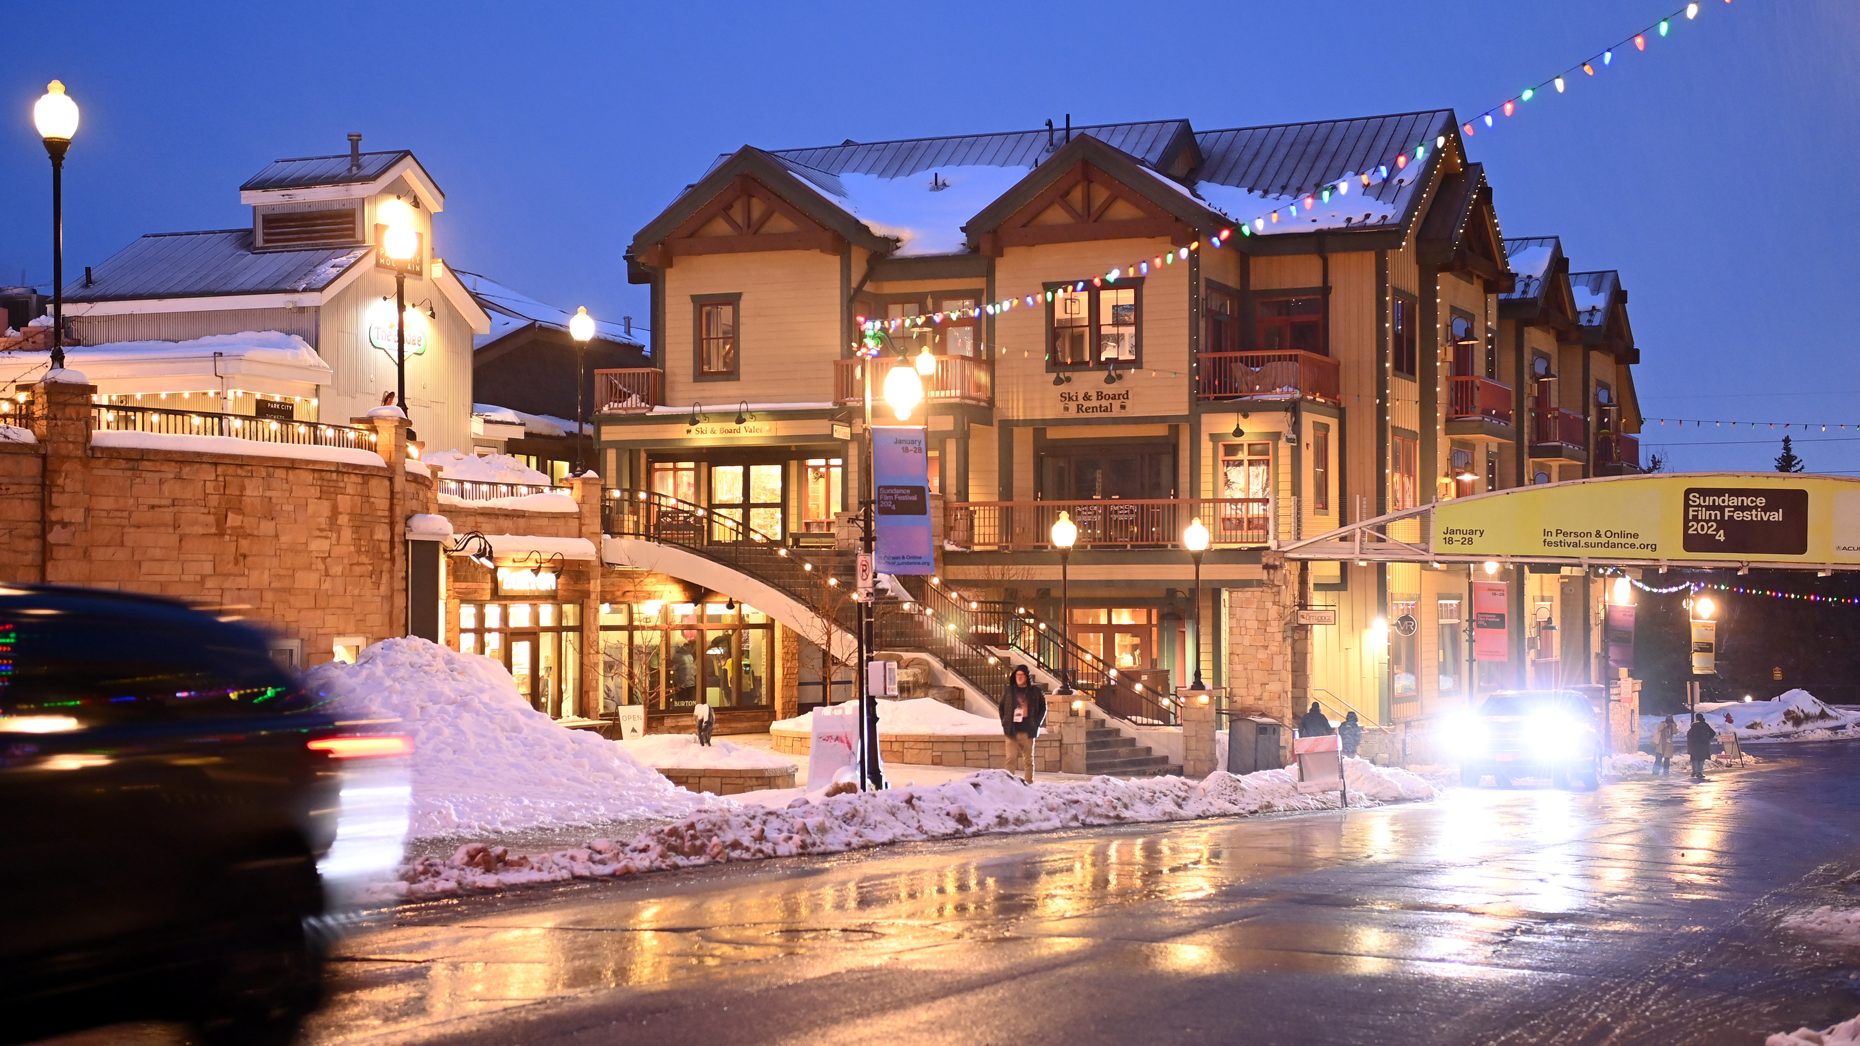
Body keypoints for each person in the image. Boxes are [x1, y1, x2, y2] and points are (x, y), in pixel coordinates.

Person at [999, 665, 1046, 785]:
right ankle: (1009, 785)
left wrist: (1037, 723)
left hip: (1028, 730)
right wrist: (1005, 722)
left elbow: (1043, 708)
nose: (1019, 677)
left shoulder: (1035, 691)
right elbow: (1002, 707)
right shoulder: (1009, 690)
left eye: (1022, 675)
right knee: (1010, 759)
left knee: (1028, 760)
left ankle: (1028, 783)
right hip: (1011, 730)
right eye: (1017, 675)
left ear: (1027, 676)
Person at [1686, 712, 1715, 780]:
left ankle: (1695, 771)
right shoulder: (1705, 725)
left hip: (1695, 745)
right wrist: (1707, 738)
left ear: (1696, 718)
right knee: (1701, 759)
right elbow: (1713, 733)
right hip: (1704, 745)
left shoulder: (1694, 726)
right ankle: (1700, 772)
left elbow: (1689, 735)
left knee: (1695, 758)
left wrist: (1691, 741)